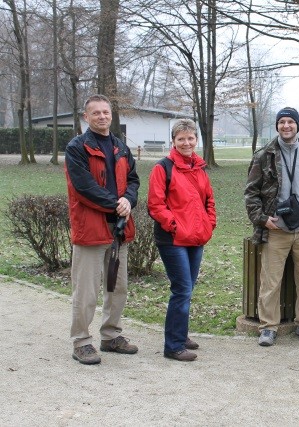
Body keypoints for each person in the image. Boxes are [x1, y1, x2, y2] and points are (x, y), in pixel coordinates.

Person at [244, 107, 299, 347]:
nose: (286, 126)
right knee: (270, 282)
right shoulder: (264, 155)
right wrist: (263, 219)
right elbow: (250, 193)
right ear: (277, 126)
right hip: (275, 229)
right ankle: (268, 328)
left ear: (297, 125)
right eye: (281, 122)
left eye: (290, 122)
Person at [64, 94, 140, 365]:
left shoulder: (121, 147)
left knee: (117, 288)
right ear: (87, 117)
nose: (101, 116)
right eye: (95, 113)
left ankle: (110, 336)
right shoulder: (77, 148)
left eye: (105, 112)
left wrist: (128, 200)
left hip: (118, 229)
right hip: (91, 229)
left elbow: (133, 180)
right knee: (86, 291)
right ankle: (82, 341)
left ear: (111, 114)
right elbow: (83, 187)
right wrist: (116, 204)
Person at [148, 119, 217, 362]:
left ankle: (181, 333)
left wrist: (209, 225)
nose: (186, 143)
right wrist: (175, 226)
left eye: (190, 138)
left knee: (187, 289)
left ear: (196, 140)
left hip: (196, 238)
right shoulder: (163, 168)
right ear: (173, 141)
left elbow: (209, 200)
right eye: (181, 139)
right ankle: (174, 345)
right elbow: (156, 205)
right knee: (182, 289)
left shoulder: (199, 168)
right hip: (173, 240)